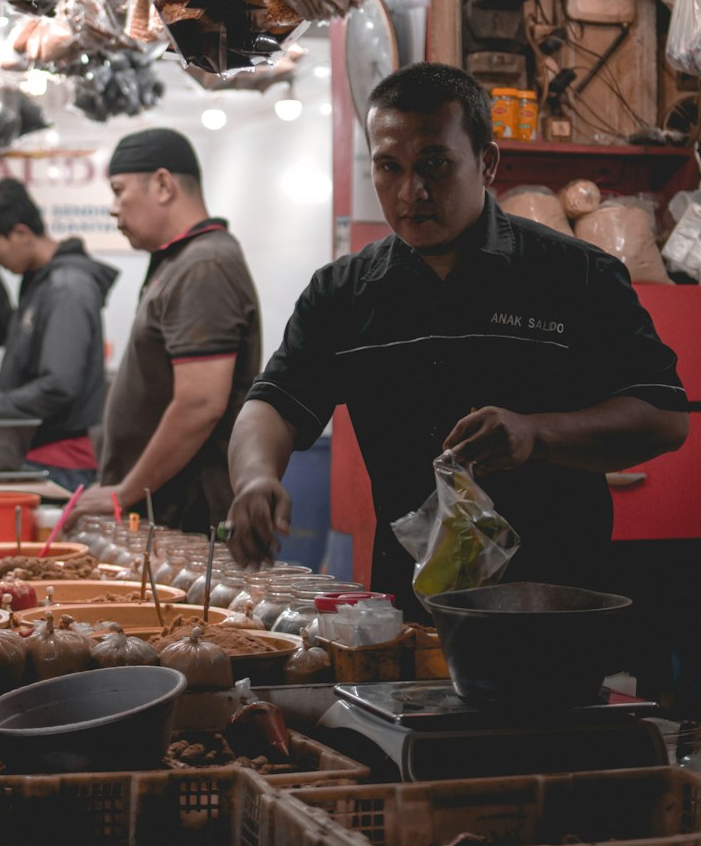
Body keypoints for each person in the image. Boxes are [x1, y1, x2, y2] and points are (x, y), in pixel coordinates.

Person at [225, 62, 689, 617]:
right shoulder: (344, 294)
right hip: (410, 612)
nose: (410, 191)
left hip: (556, 607)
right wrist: (254, 478)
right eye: (388, 167)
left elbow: (664, 415)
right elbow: (273, 404)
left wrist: (535, 433)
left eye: (434, 165)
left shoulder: (575, 275)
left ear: (486, 162)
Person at [69, 127, 262, 532]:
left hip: (186, 514)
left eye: (119, 191)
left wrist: (127, 492)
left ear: (162, 185)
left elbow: (200, 404)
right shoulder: (182, 260)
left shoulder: (204, 266)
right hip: (162, 508)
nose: (113, 208)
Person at [0, 178, 118, 493]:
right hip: (39, 454)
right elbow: (36, 372)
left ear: (22, 234)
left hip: (62, 462)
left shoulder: (67, 287)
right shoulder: (40, 283)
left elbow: (59, 385)